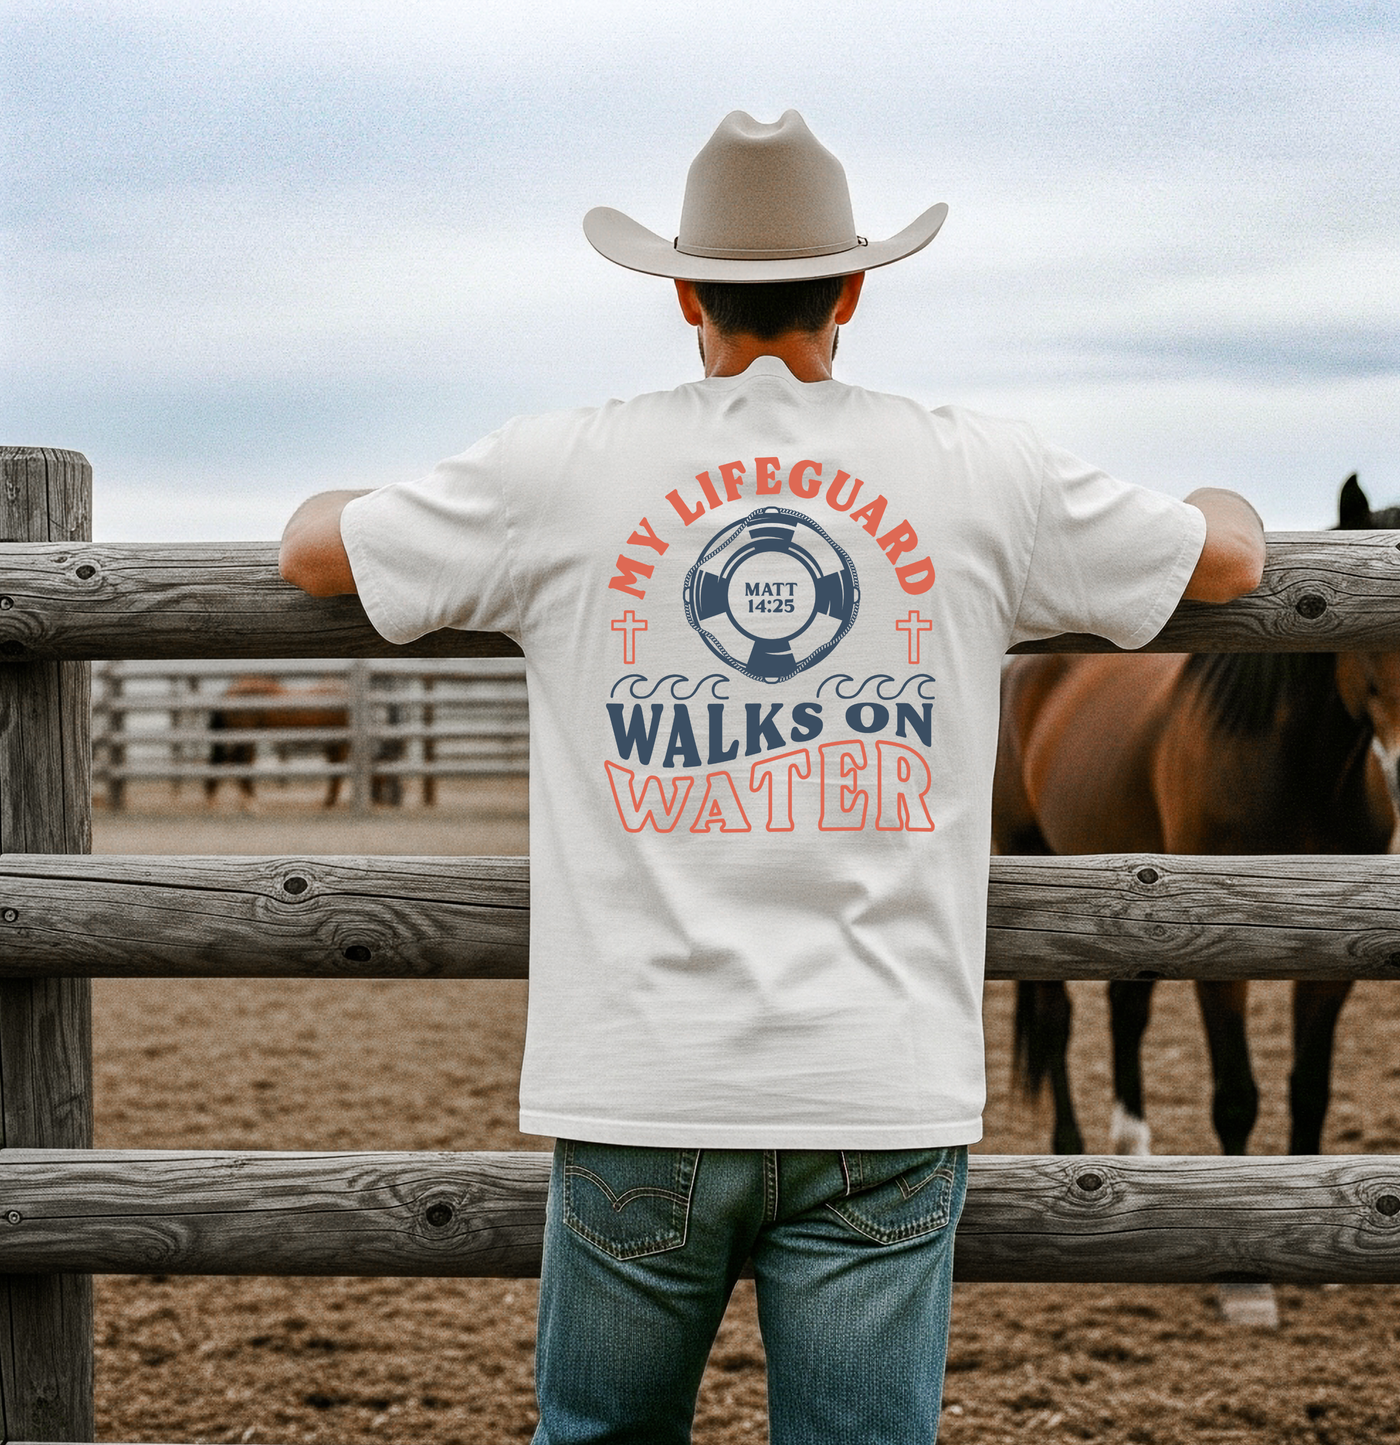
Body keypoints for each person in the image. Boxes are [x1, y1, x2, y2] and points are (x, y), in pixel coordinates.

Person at [279, 110, 1265, 1445]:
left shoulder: (557, 466)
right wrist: (1233, 502)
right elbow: (1224, 568)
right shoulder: (982, 467)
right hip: (880, 1084)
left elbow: (314, 557)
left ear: (682, 293)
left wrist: (336, 494)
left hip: (639, 1081)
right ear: (855, 288)